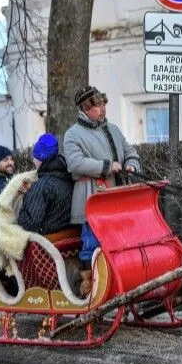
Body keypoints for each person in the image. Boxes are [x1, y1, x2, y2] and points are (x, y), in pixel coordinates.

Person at [64, 85, 141, 296]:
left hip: (116, 196)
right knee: (92, 243)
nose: (103, 108)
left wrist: (132, 164)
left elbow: (129, 150)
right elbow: (75, 163)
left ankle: (117, 283)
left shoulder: (113, 129)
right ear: (85, 109)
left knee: (119, 242)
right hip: (91, 197)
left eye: (103, 103)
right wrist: (107, 166)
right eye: (97, 105)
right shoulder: (73, 135)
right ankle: (90, 287)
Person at [17, 133, 74, 235]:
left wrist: (21, 210)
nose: (33, 161)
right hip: (73, 240)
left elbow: (30, 224)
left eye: (35, 157)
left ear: (40, 158)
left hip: (49, 243)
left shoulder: (41, 186)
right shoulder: (69, 178)